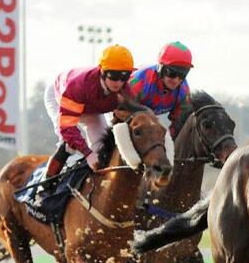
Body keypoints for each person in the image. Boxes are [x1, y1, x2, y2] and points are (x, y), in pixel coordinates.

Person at [42, 44, 135, 179]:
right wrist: (88, 154)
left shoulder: (125, 91)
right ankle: (45, 186)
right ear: (102, 71)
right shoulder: (78, 87)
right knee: (69, 144)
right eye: (114, 75)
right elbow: (68, 128)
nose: (119, 82)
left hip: (90, 107)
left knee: (102, 145)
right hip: (61, 96)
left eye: (125, 76)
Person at [128, 41, 193, 138]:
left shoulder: (183, 91)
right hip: (118, 109)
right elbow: (123, 114)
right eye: (172, 73)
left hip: (147, 117)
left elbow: (179, 124)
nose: (176, 80)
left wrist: (167, 142)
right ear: (160, 67)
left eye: (182, 74)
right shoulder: (140, 82)